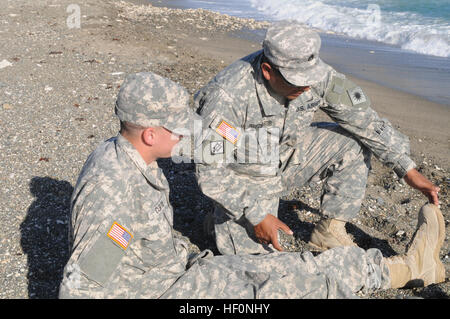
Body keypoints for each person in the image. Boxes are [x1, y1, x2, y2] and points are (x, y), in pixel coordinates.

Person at [58, 72, 445, 299]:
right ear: (148, 134)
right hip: (169, 290)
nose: (185, 137)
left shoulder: (132, 157)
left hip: (176, 271)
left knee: (281, 271)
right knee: (291, 281)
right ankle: (409, 269)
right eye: (178, 129)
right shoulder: (113, 187)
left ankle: (401, 267)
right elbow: (85, 280)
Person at [193, 20, 440, 255]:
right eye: (298, 82)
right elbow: (210, 172)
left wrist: (407, 169)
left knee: (352, 143)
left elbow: (363, 119)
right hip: (246, 175)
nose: (308, 87)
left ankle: (329, 232)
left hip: (285, 156)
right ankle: (223, 218)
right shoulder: (227, 97)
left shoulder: (313, 76)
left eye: (310, 78)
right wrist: (256, 215)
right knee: (259, 262)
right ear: (268, 71)